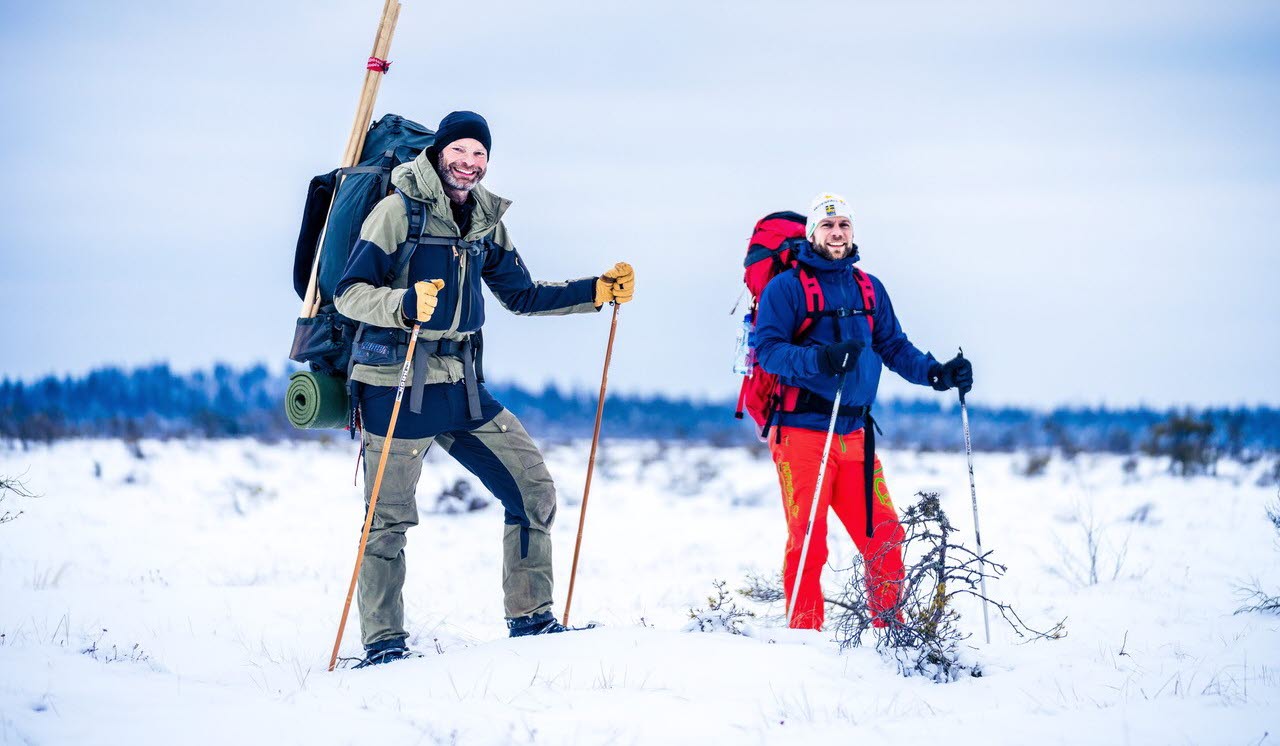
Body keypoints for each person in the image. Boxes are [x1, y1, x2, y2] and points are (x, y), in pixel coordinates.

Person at [334, 110, 635, 665]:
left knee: (533, 490)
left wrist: (598, 291)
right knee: (388, 521)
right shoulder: (397, 212)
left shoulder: (485, 223)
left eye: (480, 156)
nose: (469, 165)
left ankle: (531, 619)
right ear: (439, 153)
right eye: (461, 152)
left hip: (462, 386)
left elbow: (520, 294)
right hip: (393, 384)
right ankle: (383, 646)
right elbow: (348, 293)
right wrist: (400, 306)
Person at [753, 192, 972, 630]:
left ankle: (890, 631)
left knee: (886, 534)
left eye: (845, 226)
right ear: (812, 233)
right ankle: (804, 638)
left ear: (853, 232)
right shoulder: (786, 288)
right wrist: (822, 360)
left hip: (855, 433)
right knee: (809, 540)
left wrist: (936, 374)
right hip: (801, 433)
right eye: (828, 226)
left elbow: (892, 346)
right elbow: (768, 352)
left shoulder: (869, 287)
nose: (837, 234)